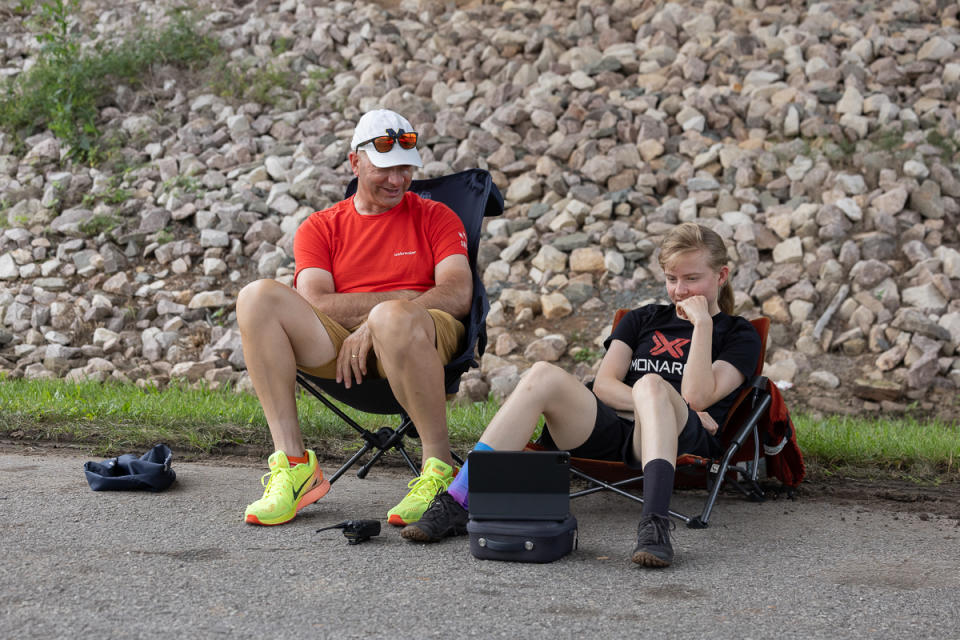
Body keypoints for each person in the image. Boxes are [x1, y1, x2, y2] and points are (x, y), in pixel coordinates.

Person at [401, 222, 761, 568]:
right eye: (672, 279)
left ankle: (654, 524)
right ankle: (457, 501)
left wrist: (702, 325)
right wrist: (652, 400)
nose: (680, 291)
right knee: (543, 374)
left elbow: (697, 397)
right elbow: (604, 386)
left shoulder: (738, 334)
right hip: (613, 429)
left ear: (722, 276)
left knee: (651, 383)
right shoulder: (642, 318)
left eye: (692, 279)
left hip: (682, 437)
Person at [237, 109, 472, 527]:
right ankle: (294, 466)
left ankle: (439, 471)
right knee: (257, 297)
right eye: (385, 168)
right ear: (355, 162)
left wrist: (384, 316)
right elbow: (315, 303)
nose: (397, 181)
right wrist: (392, 302)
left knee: (393, 318)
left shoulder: (437, 217)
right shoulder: (321, 227)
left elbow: (457, 292)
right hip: (340, 349)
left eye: (405, 168)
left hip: (420, 337)